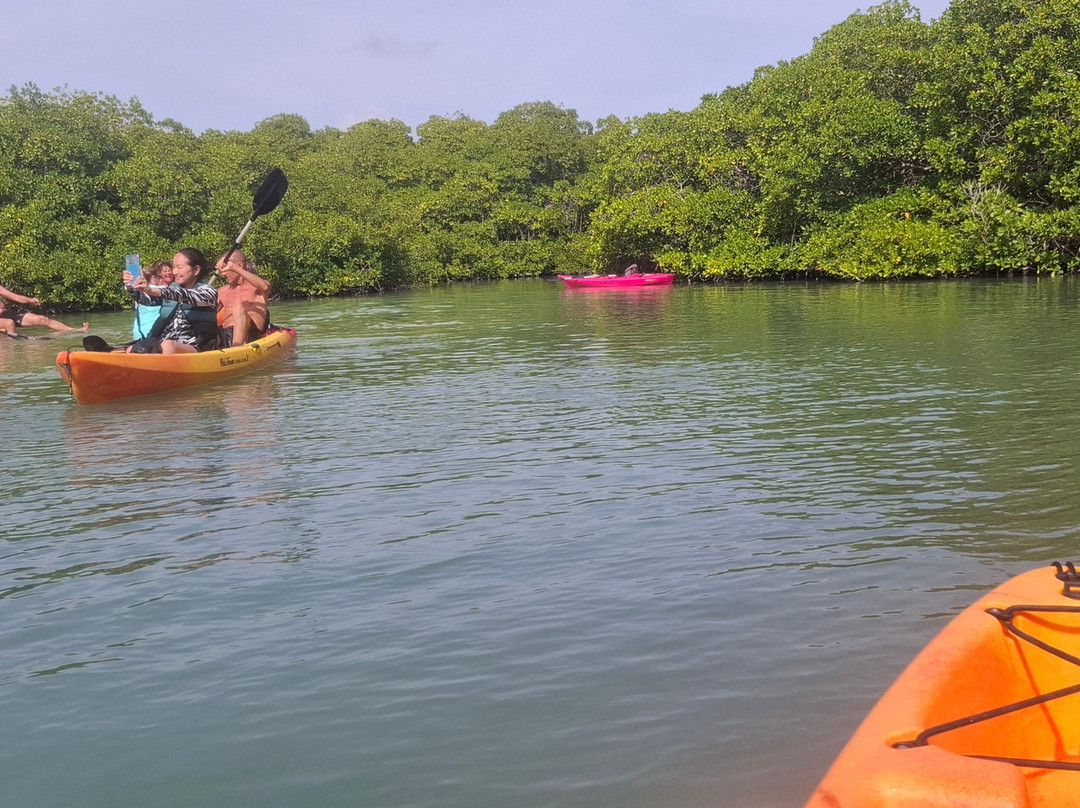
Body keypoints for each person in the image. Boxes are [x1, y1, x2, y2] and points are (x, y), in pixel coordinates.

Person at [128, 248, 218, 354]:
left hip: (196, 346)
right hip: (163, 342)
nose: (174, 272)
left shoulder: (208, 292)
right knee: (131, 349)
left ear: (196, 270)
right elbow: (146, 299)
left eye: (179, 267)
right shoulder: (171, 289)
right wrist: (132, 286)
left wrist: (153, 290)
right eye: (174, 267)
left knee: (168, 346)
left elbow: (184, 295)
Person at [215, 250, 271, 347]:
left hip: (251, 335)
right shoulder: (222, 291)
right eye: (222, 270)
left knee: (238, 307)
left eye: (226, 269)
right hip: (226, 336)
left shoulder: (257, 288)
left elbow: (265, 287)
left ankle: (236, 348)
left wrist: (233, 267)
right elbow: (210, 312)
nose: (223, 274)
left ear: (239, 266)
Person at [0, 282, 89, 335]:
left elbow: (15, 297)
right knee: (9, 323)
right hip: (4, 319)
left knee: (43, 319)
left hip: (3, 315)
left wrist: (30, 300)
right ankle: (12, 347)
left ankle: (75, 330)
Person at [130, 260, 175, 340]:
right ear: (154, 278)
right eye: (159, 277)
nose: (161, 279)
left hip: (138, 333)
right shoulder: (161, 290)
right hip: (152, 333)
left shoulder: (139, 292)